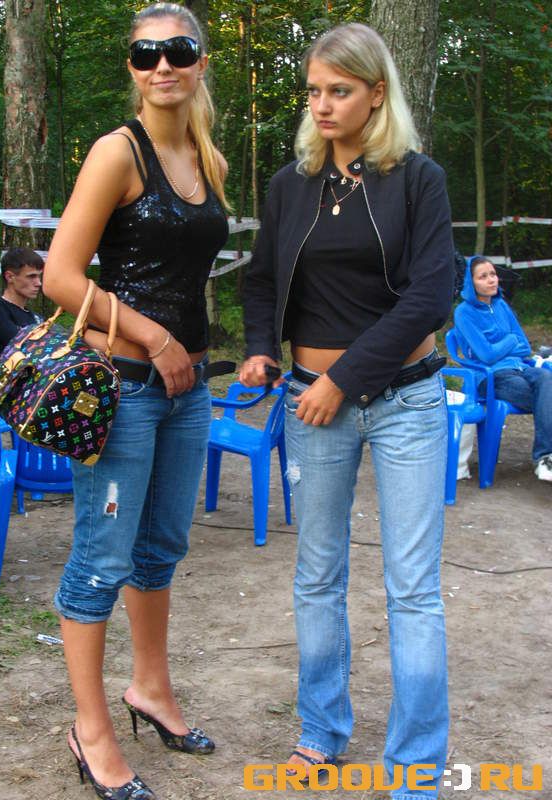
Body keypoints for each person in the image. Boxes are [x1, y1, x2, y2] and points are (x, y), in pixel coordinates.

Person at [240, 23, 454, 798]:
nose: (323, 105)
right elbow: (261, 279)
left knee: (412, 588)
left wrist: (347, 379)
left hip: (405, 400)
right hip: (310, 401)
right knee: (317, 575)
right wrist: (261, 349)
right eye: (314, 91)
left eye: (340, 90)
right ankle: (321, 730)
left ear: (376, 93)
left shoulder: (418, 179)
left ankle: (416, 767)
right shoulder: (291, 184)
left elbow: (432, 295)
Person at [42, 4, 229, 798]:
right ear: (131, 66)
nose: (162, 65)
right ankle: (91, 732)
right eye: (145, 53)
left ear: (200, 60)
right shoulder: (117, 152)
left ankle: (149, 688)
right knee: (103, 560)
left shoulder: (206, 156)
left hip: (188, 390)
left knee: (160, 552)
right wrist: (153, 338)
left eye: (177, 50)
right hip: (123, 389)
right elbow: (59, 277)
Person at [454, 256, 552, 481]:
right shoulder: (464, 313)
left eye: (493, 274)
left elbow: (524, 346)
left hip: (520, 368)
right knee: (547, 397)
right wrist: (510, 340)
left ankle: (546, 457)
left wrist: (501, 346)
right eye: (483, 277)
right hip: (491, 377)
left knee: (547, 378)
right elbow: (486, 356)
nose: (491, 280)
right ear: (470, 283)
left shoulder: (501, 306)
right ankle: (545, 457)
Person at [0, 247, 44, 363]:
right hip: (12, 372)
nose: (39, 283)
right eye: (31, 276)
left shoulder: (35, 317)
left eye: (39, 276)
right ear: (10, 277)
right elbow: (20, 343)